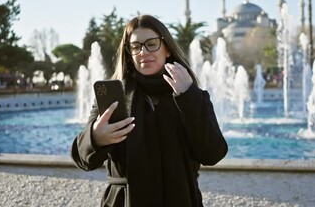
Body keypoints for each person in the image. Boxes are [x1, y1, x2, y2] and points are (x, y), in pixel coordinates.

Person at [71, 15, 228, 207]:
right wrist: (95, 137)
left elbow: (213, 153)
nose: (143, 52)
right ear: (129, 54)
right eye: (136, 47)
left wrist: (188, 96)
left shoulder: (191, 95)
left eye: (151, 44)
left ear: (167, 48)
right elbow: (82, 159)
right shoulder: (114, 97)